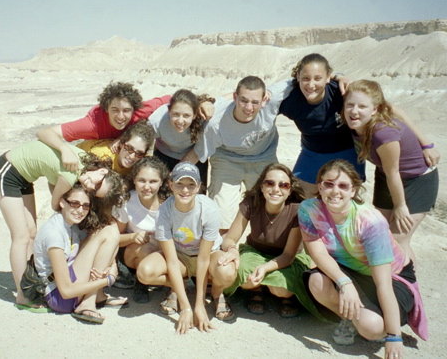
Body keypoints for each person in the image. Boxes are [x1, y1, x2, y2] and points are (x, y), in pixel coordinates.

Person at [299, 160, 426, 358]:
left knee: (372, 328)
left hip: (392, 277)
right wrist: (344, 283)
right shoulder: (309, 209)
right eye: (329, 184)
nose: (335, 191)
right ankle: (349, 317)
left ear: (353, 191)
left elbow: (383, 283)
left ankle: (376, 323)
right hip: (350, 269)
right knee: (317, 282)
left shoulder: (370, 222)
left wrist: (393, 336)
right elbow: (319, 254)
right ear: (319, 186)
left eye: (343, 185)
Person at [0, 140, 122, 308]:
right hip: (7, 171)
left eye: (94, 191)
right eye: (96, 184)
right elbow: (55, 203)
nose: (91, 187)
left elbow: (52, 180)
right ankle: (22, 294)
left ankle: (32, 286)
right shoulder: (72, 174)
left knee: (32, 233)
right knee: (21, 236)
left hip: (25, 177)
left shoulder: (87, 165)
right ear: (102, 171)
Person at [343, 80, 440, 263]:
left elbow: (393, 172)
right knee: (379, 232)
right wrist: (339, 77)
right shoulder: (356, 121)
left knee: (398, 239)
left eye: (362, 106)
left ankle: (408, 287)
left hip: (417, 180)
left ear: (374, 109)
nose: (354, 111)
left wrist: (400, 206)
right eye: (350, 105)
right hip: (386, 176)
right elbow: (395, 108)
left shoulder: (383, 133)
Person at [213, 163, 325, 321]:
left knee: (280, 290)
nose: (276, 189)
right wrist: (232, 249)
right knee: (240, 273)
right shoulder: (251, 203)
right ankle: (256, 289)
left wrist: (265, 268)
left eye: (283, 185)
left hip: (288, 258)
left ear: (290, 190)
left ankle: (278, 292)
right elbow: (230, 238)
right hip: (255, 251)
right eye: (270, 183)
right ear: (262, 186)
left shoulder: (297, 210)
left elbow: (288, 255)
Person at [194, 75, 292, 234]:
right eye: (244, 101)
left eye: (255, 102)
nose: (249, 107)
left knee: (274, 205)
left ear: (264, 99)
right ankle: (221, 251)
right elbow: (197, 154)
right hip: (228, 160)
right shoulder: (216, 122)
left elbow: (299, 78)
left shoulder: (272, 100)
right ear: (234, 97)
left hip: (264, 159)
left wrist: (338, 77)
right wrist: (173, 174)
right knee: (221, 213)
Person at [20, 183, 126, 324]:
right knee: (110, 231)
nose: (80, 210)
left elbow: (100, 246)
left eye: (85, 206)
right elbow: (66, 291)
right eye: (75, 203)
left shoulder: (69, 223)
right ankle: (88, 302)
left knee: (109, 228)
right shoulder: (54, 234)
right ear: (62, 203)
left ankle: (96, 295)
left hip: (71, 281)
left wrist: (112, 265)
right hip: (59, 297)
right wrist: (108, 280)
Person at [136, 162, 223, 334]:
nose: (185, 190)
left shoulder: (209, 210)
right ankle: (180, 288)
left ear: (198, 186)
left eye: (191, 185)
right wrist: (186, 308)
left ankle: (216, 293)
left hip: (205, 255)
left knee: (226, 272)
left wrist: (198, 306)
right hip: (180, 256)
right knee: (144, 272)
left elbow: (204, 259)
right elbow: (172, 261)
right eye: (179, 184)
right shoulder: (164, 211)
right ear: (170, 184)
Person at [277, 53, 364, 197]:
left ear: (328, 77)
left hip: (347, 151)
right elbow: (256, 103)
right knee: (298, 196)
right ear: (298, 77)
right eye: (305, 78)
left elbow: (376, 107)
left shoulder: (341, 92)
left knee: (343, 197)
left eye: (318, 78)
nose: (311, 85)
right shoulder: (290, 101)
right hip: (312, 153)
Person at [36, 81, 171, 171]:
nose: (121, 116)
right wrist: (64, 149)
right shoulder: (92, 124)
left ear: (134, 109)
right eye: (115, 110)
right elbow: (44, 132)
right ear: (106, 108)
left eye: (126, 110)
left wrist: (123, 137)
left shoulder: (141, 110)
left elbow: (171, 99)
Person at [114, 156, 171, 303]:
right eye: (142, 180)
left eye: (153, 181)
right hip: (138, 252)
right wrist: (133, 237)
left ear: (162, 182)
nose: (147, 187)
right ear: (134, 180)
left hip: (167, 251)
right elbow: (115, 238)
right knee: (147, 249)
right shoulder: (126, 202)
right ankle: (142, 282)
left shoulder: (170, 203)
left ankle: (169, 283)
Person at [147, 89, 214, 188]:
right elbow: (142, 140)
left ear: (195, 115)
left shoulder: (204, 120)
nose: (180, 121)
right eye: (176, 114)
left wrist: (175, 173)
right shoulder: (157, 120)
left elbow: (197, 152)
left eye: (186, 115)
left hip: (193, 158)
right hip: (163, 156)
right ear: (169, 111)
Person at [77, 121, 155, 175]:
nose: (132, 156)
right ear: (121, 143)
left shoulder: (142, 160)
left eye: (139, 153)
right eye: (129, 148)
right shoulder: (101, 156)